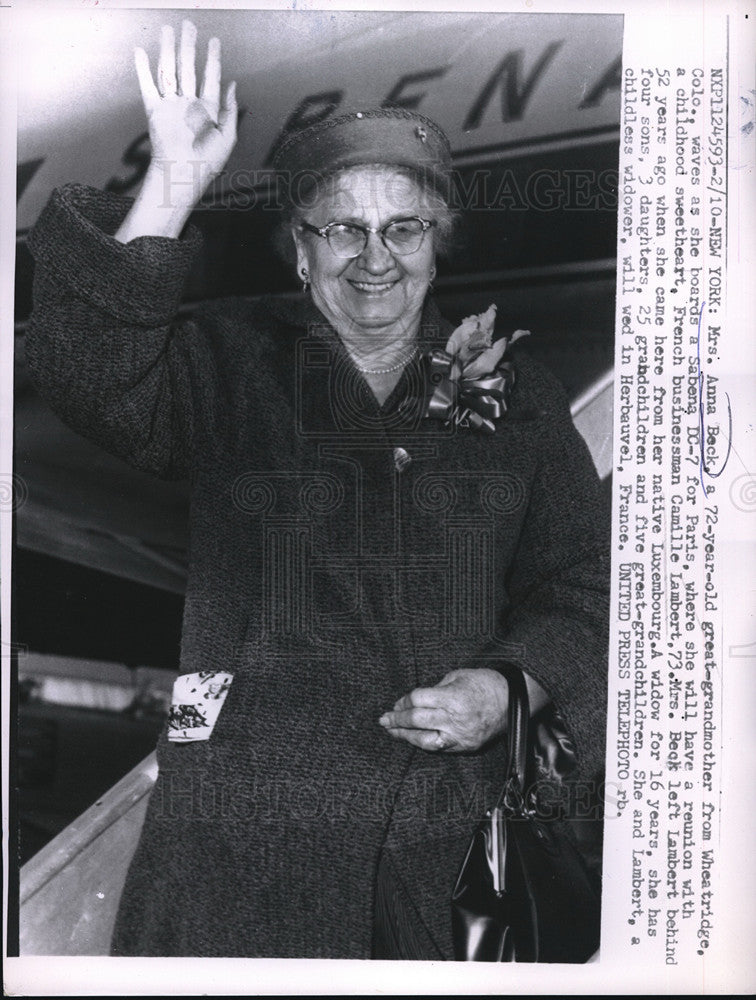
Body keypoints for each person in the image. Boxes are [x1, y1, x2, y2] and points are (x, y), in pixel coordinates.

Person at [25, 21, 609, 959]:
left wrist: (509, 691)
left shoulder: (521, 398)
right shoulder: (228, 362)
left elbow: (583, 586)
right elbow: (84, 367)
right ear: (300, 251)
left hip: (438, 859)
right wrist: (173, 181)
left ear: (437, 244)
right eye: (343, 228)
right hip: (237, 852)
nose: (375, 259)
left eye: (404, 228)